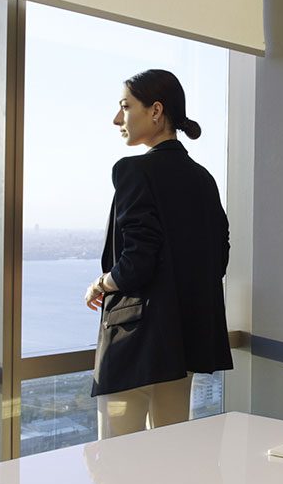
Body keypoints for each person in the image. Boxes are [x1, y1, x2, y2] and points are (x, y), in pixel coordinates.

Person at [83, 69, 232, 439]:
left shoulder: (133, 170)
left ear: (155, 111)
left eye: (125, 107)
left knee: (115, 469)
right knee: (171, 460)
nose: (118, 119)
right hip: (182, 344)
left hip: (134, 346)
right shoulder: (203, 178)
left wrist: (102, 283)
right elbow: (219, 256)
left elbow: (138, 260)